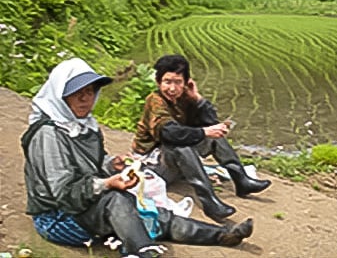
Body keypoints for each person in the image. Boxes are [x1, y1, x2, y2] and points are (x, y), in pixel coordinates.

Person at [22, 58, 253, 258]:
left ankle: (222, 235)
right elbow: (62, 191)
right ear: (61, 97)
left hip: (83, 203)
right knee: (117, 200)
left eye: (90, 92)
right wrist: (106, 183)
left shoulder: (84, 125)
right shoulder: (48, 135)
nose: (85, 99)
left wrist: (110, 164)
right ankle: (141, 250)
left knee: (152, 214)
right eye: (77, 94)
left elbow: (91, 163)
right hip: (59, 218)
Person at [131, 54, 271, 222]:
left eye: (178, 82)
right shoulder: (155, 101)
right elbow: (169, 133)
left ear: (186, 82)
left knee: (215, 135)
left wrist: (198, 99)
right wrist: (204, 132)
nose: (173, 88)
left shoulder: (185, 98)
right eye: (168, 82)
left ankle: (241, 180)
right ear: (158, 82)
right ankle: (209, 202)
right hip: (152, 166)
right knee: (180, 145)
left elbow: (211, 122)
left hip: (173, 162)